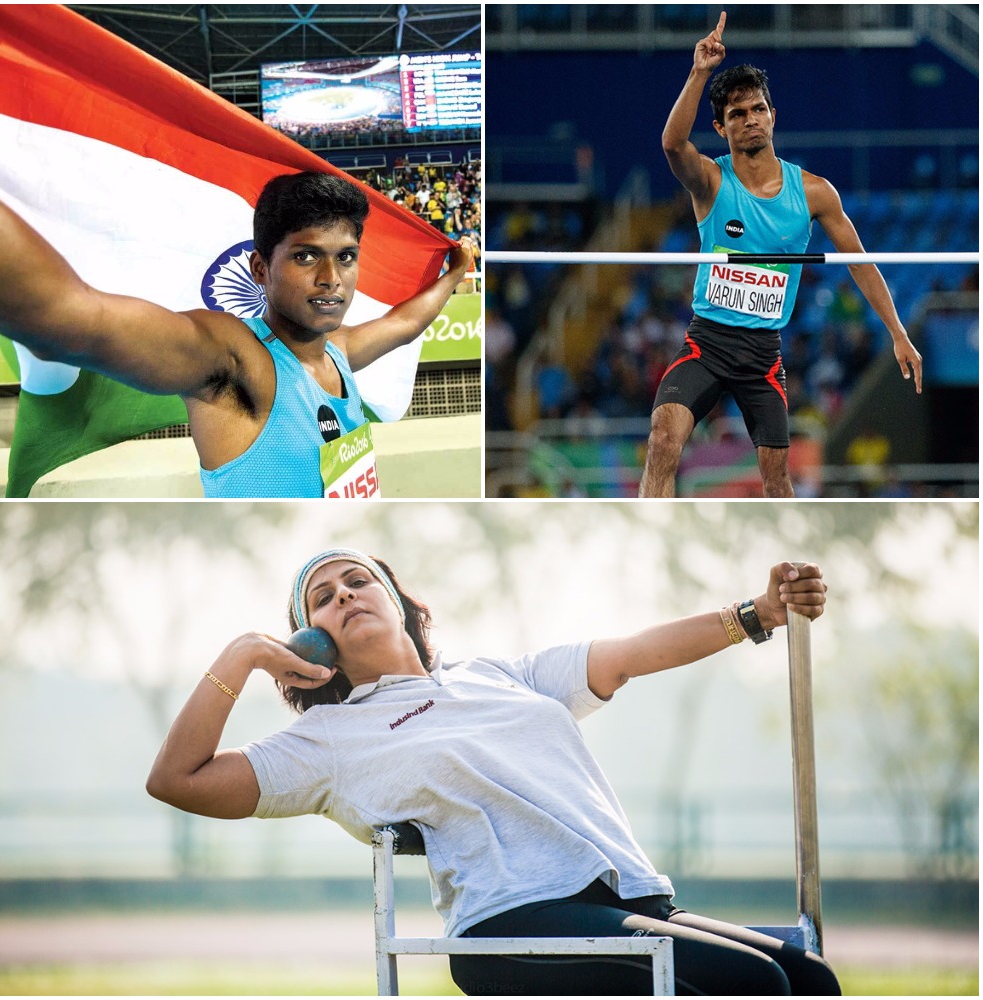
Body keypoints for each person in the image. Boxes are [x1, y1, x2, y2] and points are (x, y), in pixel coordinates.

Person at [146, 548, 840, 996]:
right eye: (323, 598)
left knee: (810, 980)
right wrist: (242, 654)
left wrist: (757, 613)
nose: (346, 595)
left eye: (358, 580)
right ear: (312, 639)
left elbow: (630, 654)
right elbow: (177, 778)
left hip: (632, 897)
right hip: (513, 923)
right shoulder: (329, 736)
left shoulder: (499, 676)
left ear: (396, 599)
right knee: (754, 985)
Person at [0, 173, 476, 497]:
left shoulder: (339, 353)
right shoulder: (236, 359)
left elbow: (403, 323)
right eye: (307, 256)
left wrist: (456, 274)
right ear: (261, 269)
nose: (332, 277)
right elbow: (73, 320)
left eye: (346, 256)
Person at [639, 10, 922, 499]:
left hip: (762, 357)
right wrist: (698, 71)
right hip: (707, 344)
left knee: (776, 479)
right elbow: (671, 144)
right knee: (664, 439)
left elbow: (860, 260)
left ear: (773, 115)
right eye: (737, 114)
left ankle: (788, 562)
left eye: (758, 110)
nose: (750, 120)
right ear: (721, 126)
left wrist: (898, 333)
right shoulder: (710, 181)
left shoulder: (814, 193)